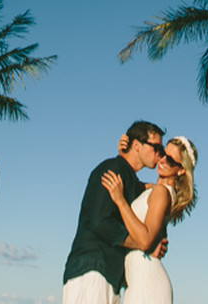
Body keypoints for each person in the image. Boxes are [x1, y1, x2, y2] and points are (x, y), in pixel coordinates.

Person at [63, 120, 166, 304]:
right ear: (136, 145)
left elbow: (151, 192)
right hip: (92, 270)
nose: (160, 154)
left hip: (108, 276)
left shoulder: (130, 180)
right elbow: (100, 222)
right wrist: (144, 244)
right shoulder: (112, 169)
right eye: (156, 147)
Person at [101, 135, 198, 304]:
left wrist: (120, 201)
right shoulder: (157, 191)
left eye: (170, 160)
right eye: (162, 153)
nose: (162, 160)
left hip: (147, 282)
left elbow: (145, 241)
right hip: (137, 279)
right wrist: (123, 154)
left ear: (181, 170)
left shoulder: (162, 193)